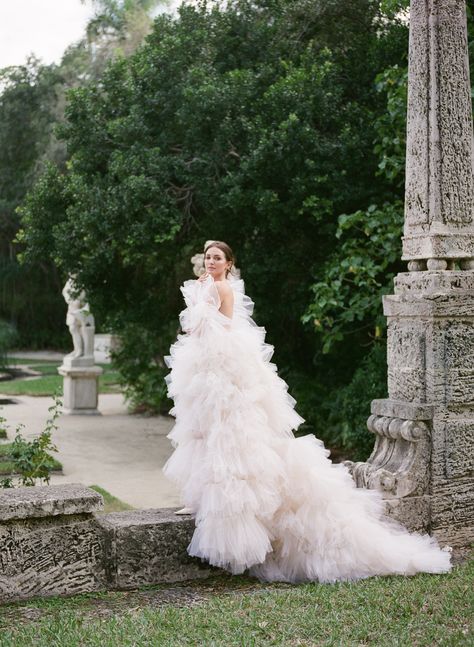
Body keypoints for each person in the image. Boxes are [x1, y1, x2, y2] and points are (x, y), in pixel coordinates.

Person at [163, 241, 452, 583]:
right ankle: (199, 498)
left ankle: (231, 506)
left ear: (228, 264)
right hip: (204, 365)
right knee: (201, 431)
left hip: (223, 367)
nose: (211, 261)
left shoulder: (222, 287)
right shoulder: (204, 286)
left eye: (217, 257)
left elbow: (216, 329)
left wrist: (199, 312)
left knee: (230, 435)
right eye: (208, 257)